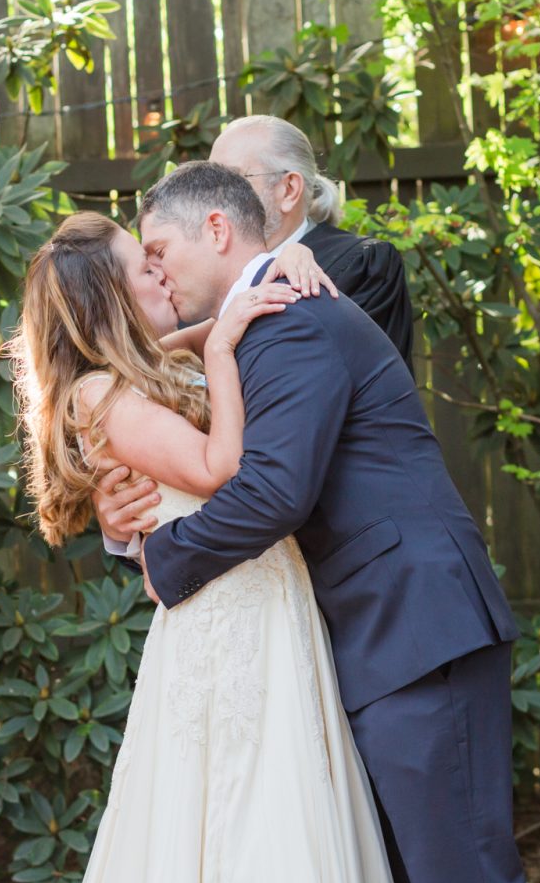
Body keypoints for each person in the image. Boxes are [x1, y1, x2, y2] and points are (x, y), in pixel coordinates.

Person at [137, 162, 539, 883]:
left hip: (417, 625)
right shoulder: (255, 321)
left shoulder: (294, 317)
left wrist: (164, 556)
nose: (155, 271)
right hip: (382, 634)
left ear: (217, 231)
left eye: (158, 249)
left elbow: (275, 490)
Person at [14, 210, 417, 883]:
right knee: (236, 817)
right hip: (225, 624)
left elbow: (166, 368)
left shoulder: (124, 374)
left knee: (287, 811)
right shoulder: (99, 393)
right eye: (144, 268)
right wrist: (225, 343)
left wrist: (270, 277)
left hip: (267, 606)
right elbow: (217, 465)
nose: (162, 273)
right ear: (107, 299)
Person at [95, 114, 415, 555]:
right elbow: (184, 447)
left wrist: (170, 556)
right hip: (250, 562)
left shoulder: (344, 273)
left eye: (234, 177)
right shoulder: (199, 304)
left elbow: (301, 433)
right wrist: (124, 523)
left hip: (354, 554)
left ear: (289, 189)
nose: (218, 190)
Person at [211, 114, 415, 370]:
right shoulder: (203, 275)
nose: (213, 198)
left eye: (231, 181)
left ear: (288, 190)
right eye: (209, 183)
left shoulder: (361, 266)